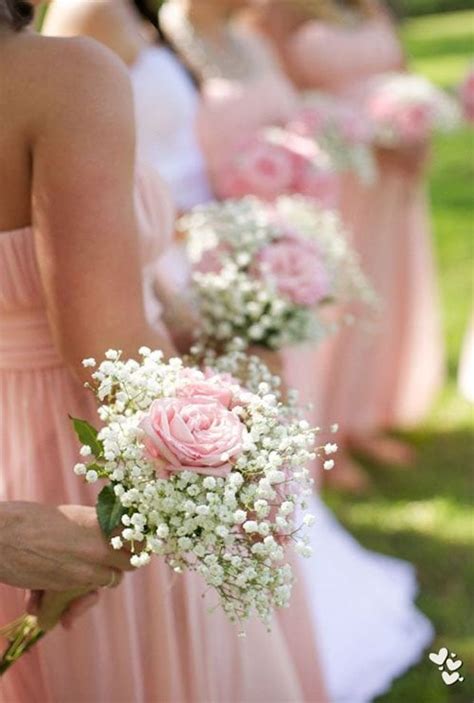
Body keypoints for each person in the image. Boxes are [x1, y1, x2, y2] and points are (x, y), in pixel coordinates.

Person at [26, 3, 330, 701]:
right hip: (85, 423)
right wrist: (223, 432)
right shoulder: (70, 61)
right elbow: (103, 349)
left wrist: (190, 310)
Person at [156, 3, 435, 701]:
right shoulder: (175, 33)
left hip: (275, 238)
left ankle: (304, 536)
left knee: (285, 419)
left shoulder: (247, 35)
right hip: (205, 258)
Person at [251, 0, 444, 491]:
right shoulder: (281, 9)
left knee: (380, 286)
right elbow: (270, 91)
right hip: (334, 173)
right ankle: (323, 438)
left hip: (391, 172)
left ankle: (361, 418)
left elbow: (400, 72)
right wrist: (354, 130)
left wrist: (412, 126)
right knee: (334, 300)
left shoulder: (369, 6)